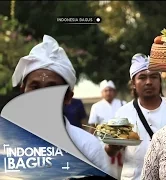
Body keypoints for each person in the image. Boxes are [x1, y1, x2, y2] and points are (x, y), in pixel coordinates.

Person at [11, 34, 113, 178]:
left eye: (52, 88)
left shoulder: (88, 147)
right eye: (35, 87)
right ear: (23, 91)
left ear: (67, 97)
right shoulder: (6, 143)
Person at [105, 53, 166, 180]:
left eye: (154, 77)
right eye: (142, 77)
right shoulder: (123, 113)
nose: (148, 82)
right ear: (133, 83)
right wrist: (113, 145)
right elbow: (110, 152)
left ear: (160, 81)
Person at [88, 80, 126, 180]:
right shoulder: (96, 107)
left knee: (123, 170)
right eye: (106, 90)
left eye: (110, 90)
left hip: (122, 143)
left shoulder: (123, 104)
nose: (108, 92)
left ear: (115, 92)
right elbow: (93, 126)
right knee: (106, 169)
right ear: (102, 93)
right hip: (102, 144)